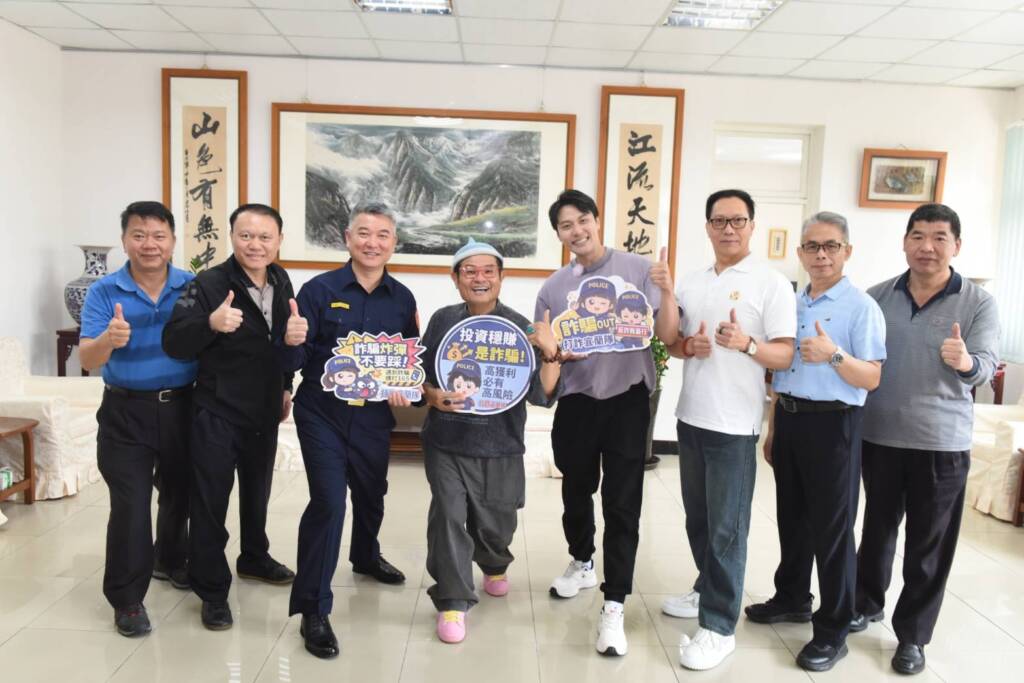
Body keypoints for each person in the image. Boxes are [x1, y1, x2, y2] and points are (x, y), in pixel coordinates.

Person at [854, 203, 1000, 675]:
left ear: (956, 245)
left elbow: (985, 366)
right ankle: (865, 604)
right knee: (876, 531)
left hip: (941, 444)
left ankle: (912, 636)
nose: (927, 247)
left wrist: (964, 362)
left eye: (939, 238)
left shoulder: (978, 302)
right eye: (918, 236)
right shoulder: (877, 297)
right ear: (904, 242)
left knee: (928, 545)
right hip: (879, 436)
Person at [536, 189, 678, 657]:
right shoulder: (554, 287)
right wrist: (551, 351)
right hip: (577, 403)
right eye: (566, 225)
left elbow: (668, 335)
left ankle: (614, 603)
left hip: (628, 402)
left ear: (597, 220)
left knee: (622, 504)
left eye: (583, 220)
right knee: (575, 490)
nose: (577, 230)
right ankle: (582, 561)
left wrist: (668, 289)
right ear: (559, 234)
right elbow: (548, 361)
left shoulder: (639, 269)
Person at [745, 212, 886, 671]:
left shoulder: (861, 307)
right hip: (790, 419)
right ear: (800, 252)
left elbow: (872, 377)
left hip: (834, 425)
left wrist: (835, 355)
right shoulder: (792, 303)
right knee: (793, 519)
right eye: (812, 246)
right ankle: (792, 597)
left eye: (830, 246)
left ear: (847, 251)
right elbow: (780, 373)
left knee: (833, 531)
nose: (821, 255)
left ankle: (833, 630)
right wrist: (774, 427)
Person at [663, 189, 796, 670]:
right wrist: (688, 345)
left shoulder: (770, 283)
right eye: (719, 220)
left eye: (738, 220)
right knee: (698, 520)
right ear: (707, 227)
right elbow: (671, 343)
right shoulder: (693, 281)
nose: (728, 229)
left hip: (734, 425)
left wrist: (748, 345)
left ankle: (719, 627)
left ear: (752, 226)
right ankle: (707, 588)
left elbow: (786, 354)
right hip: (691, 416)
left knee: (726, 528)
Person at [279, 202, 419, 659]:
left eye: (382, 235)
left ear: (393, 243)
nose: (372, 243)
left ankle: (365, 555)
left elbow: (408, 360)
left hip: (374, 416)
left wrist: (406, 389)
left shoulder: (403, 299)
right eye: (363, 233)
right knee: (328, 502)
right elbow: (297, 360)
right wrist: (291, 341)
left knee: (371, 491)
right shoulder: (318, 290)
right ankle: (313, 609)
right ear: (347, 238)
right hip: (322, 413)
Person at [419, 239, 562, 644]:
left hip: (501, 444)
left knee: (497, 523)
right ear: (455, 279)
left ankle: (494, 561)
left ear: (501, 277)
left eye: (488, 271)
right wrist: (433, 397)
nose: (479, 278)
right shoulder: (443, 320)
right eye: (469, 271)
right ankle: (452, 599)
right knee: (448, 516)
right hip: (447, 439)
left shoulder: (520, 327)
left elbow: (542, 396)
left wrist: (551, 354)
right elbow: (423, 378)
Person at [162, 203, 298, 630]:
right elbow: (174, 341)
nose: (255, 245)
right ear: (232, 237)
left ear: (279, 240)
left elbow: (283, 341)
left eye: (265, 237)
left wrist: (286, 386)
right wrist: (210, 322)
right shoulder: (209, 283)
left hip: (264, 408)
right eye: (246, 235)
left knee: (257, 493)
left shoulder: (281, 279)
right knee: (210, 503)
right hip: (217, 410)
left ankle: (254, 557)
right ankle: (212, 590)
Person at [79, 200, 197, 637]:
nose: (150, 244)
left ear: (172, 240)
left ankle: (170, 559)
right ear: (125, 240)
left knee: (180, 492)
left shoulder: (192, 287)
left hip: (184, 406)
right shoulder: (104, 291)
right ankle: (127, 599)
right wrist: (108, 340)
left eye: (159, 235)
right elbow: (88, 359)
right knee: (130, 505)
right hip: (125, 411)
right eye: (139, 235)